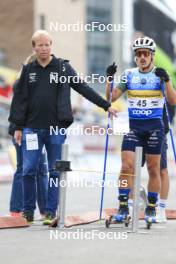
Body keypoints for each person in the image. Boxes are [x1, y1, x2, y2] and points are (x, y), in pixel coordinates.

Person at [9, 30, 117, 224]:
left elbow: (83, 88)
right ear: (33, 47)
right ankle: (27, 212)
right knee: (28, 169)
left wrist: (105, 105)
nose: (43, 48)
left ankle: (50, 212)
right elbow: (20, 99)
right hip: (31, 129)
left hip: (56, 129)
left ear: (51, 45)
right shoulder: (28, 70)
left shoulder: (63, 68)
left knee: (55, 170)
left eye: (47, 44)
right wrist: (18, 127)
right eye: (39, 45)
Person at [106, 36, 176, 223]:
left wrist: (167, 81)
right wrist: (109, 79)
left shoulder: (159, 75)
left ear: (152, 56)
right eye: (139, 54)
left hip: (155, 128)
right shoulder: (129, 74)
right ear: (135, 57)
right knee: (126, 166)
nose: (142, 57)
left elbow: (172, 100)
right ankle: (123, 206)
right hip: (134, 128)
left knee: (154, 168)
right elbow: (110, 98)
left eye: (146, 54)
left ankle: (152, 208)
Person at [8, 54, 48, 219]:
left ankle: (41, 210)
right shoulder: (24, 83)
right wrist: (20, 129)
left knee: (36, 170)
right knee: (27, 169)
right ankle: (22, 209)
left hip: (32, 131)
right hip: (25, 132)